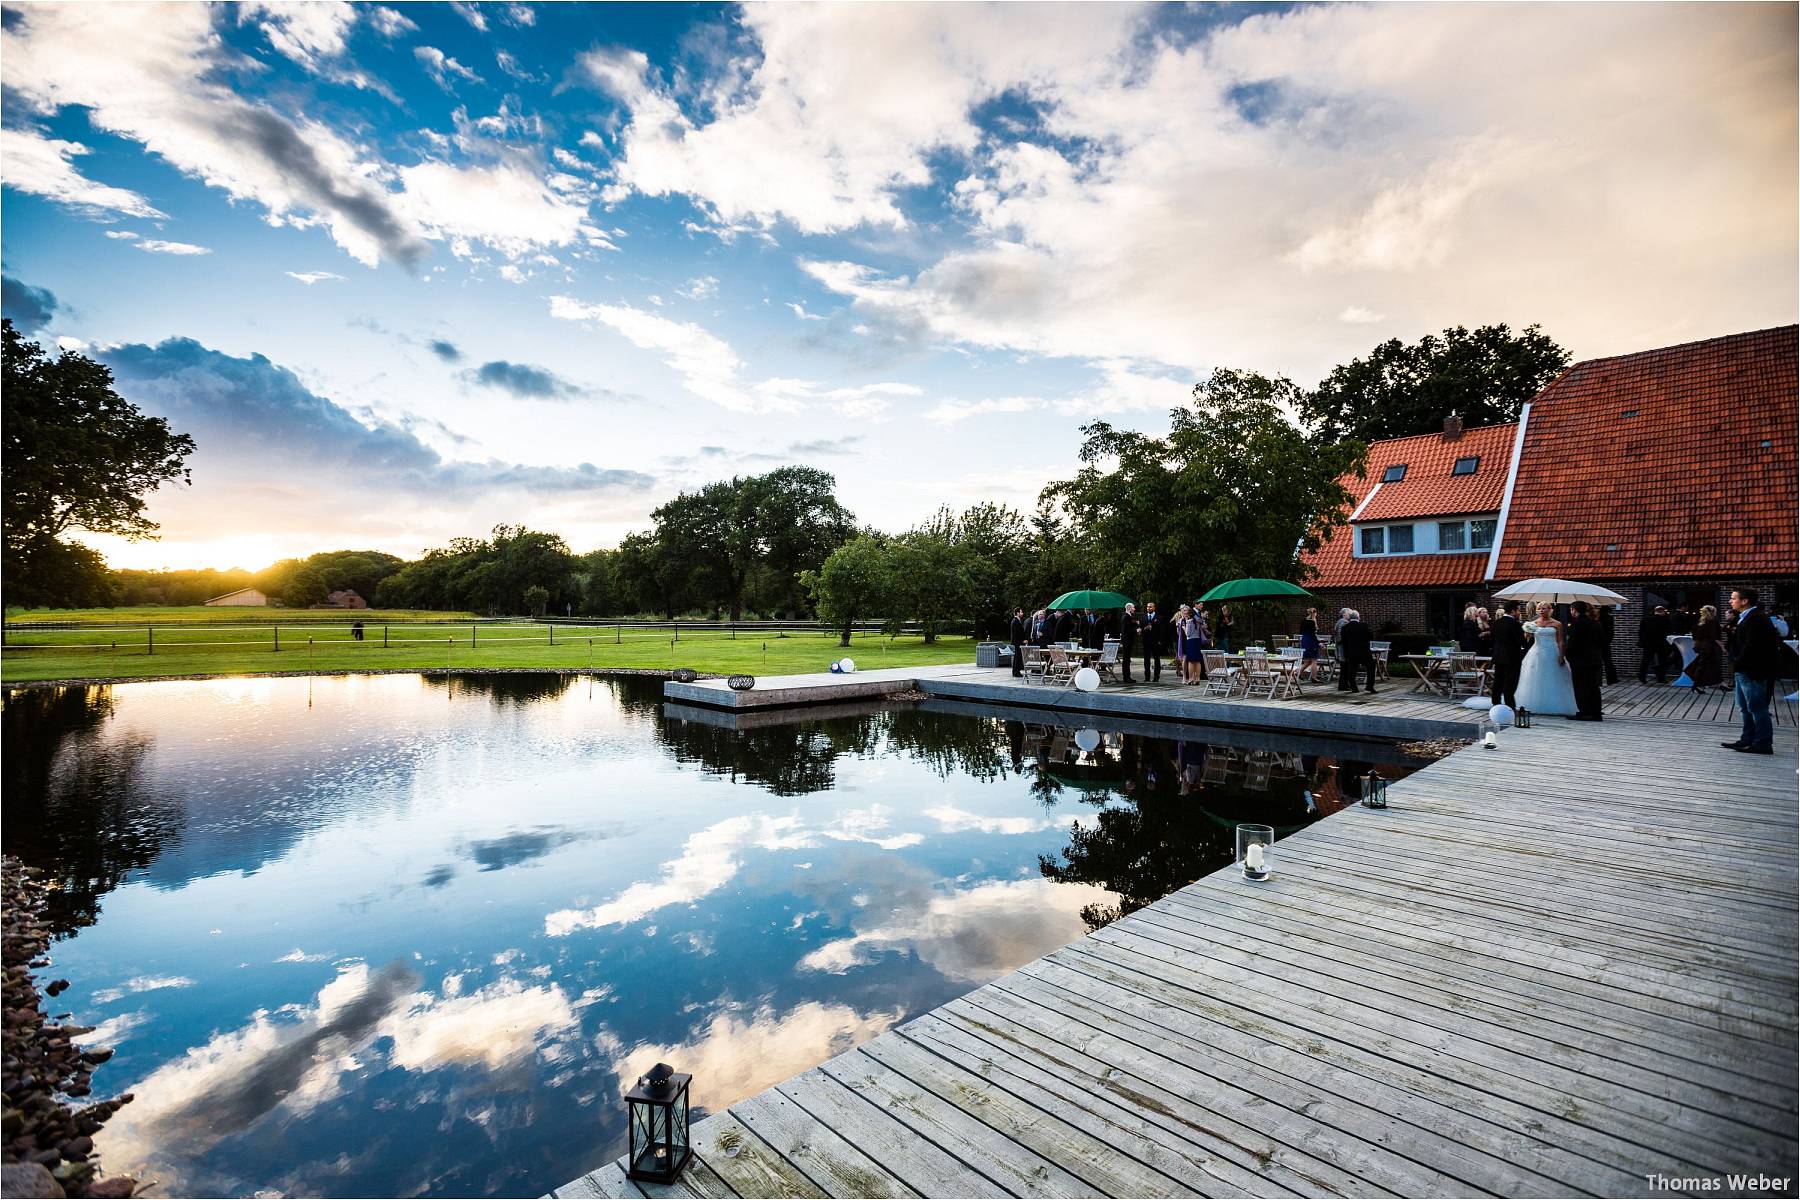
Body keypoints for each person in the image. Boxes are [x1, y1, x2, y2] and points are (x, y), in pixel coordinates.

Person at [1724, 588, 1780, 755]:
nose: (1730, 601)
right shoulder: (1746, 618)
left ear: (1744, 601)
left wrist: (1738, 663)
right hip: (1745, 669)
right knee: (1745, 707)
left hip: (1752, 670)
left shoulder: (1756, 618)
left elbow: (1753, 646)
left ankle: (1763, 743)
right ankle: (1747, 739)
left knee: (1757, 707)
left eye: (1733, 598)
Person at [1516, 600, 1578, 715]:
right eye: (1539, 608)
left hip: (1552, 651)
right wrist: (1527, 632)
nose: (1541, 610)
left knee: (1553, 677)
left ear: (1550, 610)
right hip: (1537, 652)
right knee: (1535, 677)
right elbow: (1528, 639)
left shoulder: (1557, 624)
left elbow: (1560, 641)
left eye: (1544, 608)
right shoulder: (1533, 623)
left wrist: (1561, 655)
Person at [1564, 601, 1605, 721]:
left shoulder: (1576, 624)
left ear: (1574, 610)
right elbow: (1602, 642)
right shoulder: (1595, 623)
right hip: (1594, 660)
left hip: (1580, 661)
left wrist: (1569, 657)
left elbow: (1572, 644)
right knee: (1593, 687)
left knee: (1581, 687)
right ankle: (1596, 712)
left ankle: (1584, 711)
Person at [1488, 600, 1528, 708]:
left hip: (1498, 656)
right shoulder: (1515, 624)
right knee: (1510, 682)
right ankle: (1510, 705)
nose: (1520, 612)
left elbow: (1493, 640)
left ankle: (1495, 702)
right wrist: (1528, 638)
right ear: (1513, 611)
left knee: (1498, 680)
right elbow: (1521, 642)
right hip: (1512, 657)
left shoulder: (1496, 623)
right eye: (1519, 610)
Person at [1336, 609, 1377, 693]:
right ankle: (1369, 686)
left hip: (1351, 653)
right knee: (1371, 667)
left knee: (1352, 670)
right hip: (1364, 652)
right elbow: (1370, 636)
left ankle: (1354, 687)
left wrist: (1347, 652)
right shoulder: (1363, 625)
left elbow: (1344, 642)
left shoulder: (1345, 628)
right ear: (1358, 617)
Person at [1637, 604, 1675, 683]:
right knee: (1662, 661)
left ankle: (1642, 675)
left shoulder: (1645, 619)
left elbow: (1641, 632)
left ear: (1655, 611)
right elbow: (1670, 632)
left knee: (1646, 660)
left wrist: (1642, 641)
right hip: (1661, 644)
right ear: (1662, 611)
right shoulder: (1665, 620)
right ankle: (1661, 678)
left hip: (1648, 644)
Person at [1689, 604, 1725, 689]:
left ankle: (1699, 684)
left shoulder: (1700, 622)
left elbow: (1694, 634)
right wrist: (1723, 647)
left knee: (1704, 665)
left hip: (1701, 646)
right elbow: (1715, 636)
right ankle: (1698, 684)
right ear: (1713, 612)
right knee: (1709, 665)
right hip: (1710, 647)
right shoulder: (1712, 622)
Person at [1181, 605, 1206, 685]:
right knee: (1198, 660)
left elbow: (1188, 634)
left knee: (1191, 661)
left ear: (1188, 615)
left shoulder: (1189, 622)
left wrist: (1184, 628)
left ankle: (1191, 678)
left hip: (1191, 641)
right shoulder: (1197, 621)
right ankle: (1198, 678)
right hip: (1197, 640)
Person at [1139, 601, 1163, 682]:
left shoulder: (1159, 617)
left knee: (1157, 659)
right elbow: (1140, 629)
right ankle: (1147, 677)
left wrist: (1160, 641)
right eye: (1148, 607)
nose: (1148, 608)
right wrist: (1143, 629)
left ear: (1154, 608)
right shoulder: (1143, 617)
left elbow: (1162, 630)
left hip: (1156, 642)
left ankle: (1156, 676)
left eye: (1150, 607)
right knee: (1146, 660)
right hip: (1146, 641)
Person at [1298, 607, 1323, 682]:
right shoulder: (1312, 621)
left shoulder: (1304, 621)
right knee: (1314, 660)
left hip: (1304, 640)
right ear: (1314, 613)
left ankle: (1298, 673)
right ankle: (1314, 677)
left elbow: (1300, 632)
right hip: (1311, 641)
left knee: (1307, 661)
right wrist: (1318, 643)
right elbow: (1313, 634)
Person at [1598, 604, 1619, 685]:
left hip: (1599, 643)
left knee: (1600, 662)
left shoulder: (1598, 618)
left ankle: (1599, 681)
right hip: (1606, 643)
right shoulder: (1609, 618)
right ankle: (1611, 679)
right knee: (1608, 661)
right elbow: (1611, 632)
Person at [1119, 602, 1139, 683]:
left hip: (1128, 641)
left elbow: (1129, 626)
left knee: (1127, 659)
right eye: (1133, 608)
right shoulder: (1126, 617)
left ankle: (1127, 676)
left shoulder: (1128, 616)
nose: (1134, 609)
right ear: (1129, 608)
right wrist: (1136, 630)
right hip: (1127, 641)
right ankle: (1126, 677)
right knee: (1126, 659)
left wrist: (1135, 624)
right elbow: (1125, 631)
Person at [1009, 607, 1028, 677]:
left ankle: (1016, 671)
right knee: (1017, 657)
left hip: (1018, 642)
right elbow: (1016, 634)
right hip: (1017, 642)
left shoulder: (1017, 620)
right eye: (1021, 612)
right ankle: (1016, 672)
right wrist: (1022, 640)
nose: (1022, 613)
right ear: (1017, 613)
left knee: (1018, 657)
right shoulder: (1015, 621)